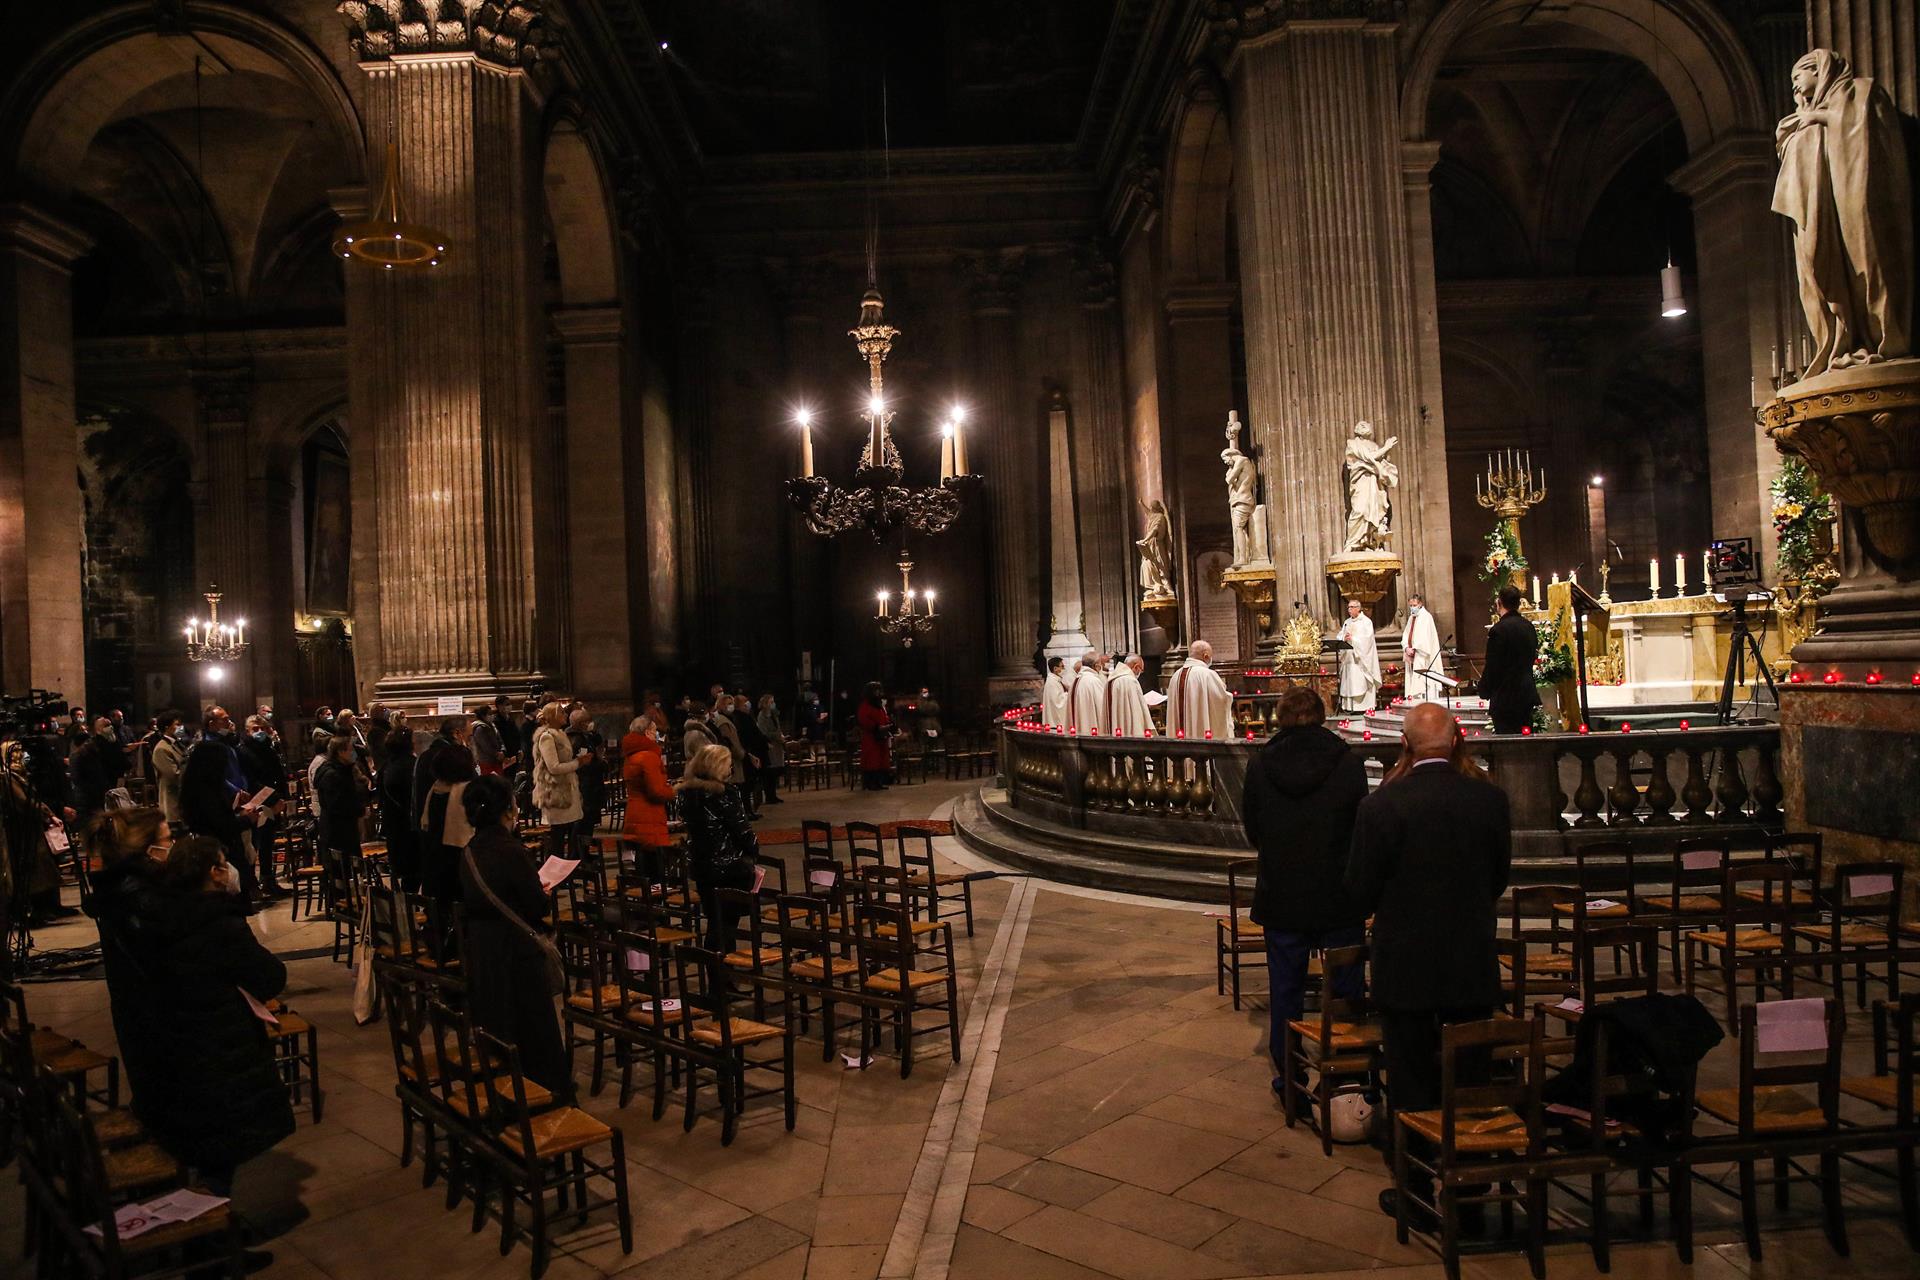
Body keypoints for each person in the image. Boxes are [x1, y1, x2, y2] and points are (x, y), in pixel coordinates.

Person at [1345, 702, 1512, 1226]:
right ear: (1459, 740)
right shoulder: (1489, 800)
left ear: (1406, 746)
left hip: (1406, 963)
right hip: (1470, 959)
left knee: (1412, 1080)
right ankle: (1471, 1194)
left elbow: (1359, 889)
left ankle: (1416, 1190)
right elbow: (1498, 877)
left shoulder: (1383, 805)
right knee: (1471, 1078)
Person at [143, 834, 295, 1204]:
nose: (230, 872)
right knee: (222, 1142)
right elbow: (268, 976)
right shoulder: (218, 922)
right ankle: (212, 1232)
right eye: (225, 865)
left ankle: (207, 1216)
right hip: (218, 1039)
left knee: (206, 1138)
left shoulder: (158, 914)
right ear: (213, 873)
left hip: (178, 1037)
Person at [1240, 688, 1367, 1101]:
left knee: (1286, 991)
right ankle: (1349, 1076)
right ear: (1322, 715)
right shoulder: (1347, 763)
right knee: (1347, 989)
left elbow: (1253, 828)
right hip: (1338, 894)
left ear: (1280, 717)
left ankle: (1290, 1079)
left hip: (1284, 894)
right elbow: (1359, 825)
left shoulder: (1261, 765)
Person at [458, 774, 569, 1094]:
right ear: (507, 810)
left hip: (483, 949)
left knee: (498, 1026)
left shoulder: (468, 851)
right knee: (533, 1031)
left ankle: (504, 1093)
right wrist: (541, 891)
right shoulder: (511, 850)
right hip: (516, 953)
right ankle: (542, 1095)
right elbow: (536, 907)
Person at [83, 807, 174, 1154]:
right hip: (153, 1009)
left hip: (135, 1006)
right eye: (167, 839)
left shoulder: (119, 889)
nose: (173, 845)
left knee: (152, 1090)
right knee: (163, 1096)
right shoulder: (140, 896)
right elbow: (163, 956)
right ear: (147, 850)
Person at [675, 743, 759, 952]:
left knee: (714, 921)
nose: (731, 770)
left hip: (701, 866)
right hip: (727, 867)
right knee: (726, 925)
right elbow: (741, 830)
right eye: (729, 765)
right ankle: (722, 974)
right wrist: (753, 850)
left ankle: (717, 972)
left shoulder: (687, 793)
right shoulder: (725, 794)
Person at [178, 727, 258, 908]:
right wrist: (246, 819)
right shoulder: (205, 791)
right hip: (218, 849)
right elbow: (220, 823)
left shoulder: (204, 785)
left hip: (220, 845)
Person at [236, 715, 291, 899]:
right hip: (257, 801)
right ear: (247, 731)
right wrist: (272, 796)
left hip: (272, 801)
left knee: (268, 841)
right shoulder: (243, 751)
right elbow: (250, 780)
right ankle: (252, 883)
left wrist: (281, 796)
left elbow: (277, 772)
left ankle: (268, 879)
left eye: (261, 728)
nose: (259, 732)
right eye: (254, 729)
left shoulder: (268, 747)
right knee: (253, 843)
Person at [531, 703, 589, 861]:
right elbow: (553, 767)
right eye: (561, 712)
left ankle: (568, 871)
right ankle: (554, 876)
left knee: (571, 833)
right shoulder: (547, 737)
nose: (565, 714)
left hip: (568, 788)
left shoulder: (560, 734)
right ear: (552, 716)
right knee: (557, 838)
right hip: (556, 791)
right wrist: (578, 763)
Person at [1481, 584, 1540, 733]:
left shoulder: (1499, 630)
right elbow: (1532, 656)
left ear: (1499, 603)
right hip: (1526, 694)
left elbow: (1494, 665)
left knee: (1506, 746)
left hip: (1505, 697)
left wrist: (1484, 689)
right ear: (1518, 603)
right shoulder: (1529, 627)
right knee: (1526, 743)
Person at [620, 715, 674, 857]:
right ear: (647, 732)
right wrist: (673, 791)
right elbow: (656, 791)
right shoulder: (648, 757)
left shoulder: (631, 756)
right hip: (649, 817)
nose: (657, 735)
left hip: (634, 813)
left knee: (642, 864)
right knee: (655, 865)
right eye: (654, 731)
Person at [314, 735, 367, 875]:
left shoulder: (343, 770)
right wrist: (359, 810)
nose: (353, 752)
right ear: (340, 752)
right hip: (337, 832)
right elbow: (337, 804)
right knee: (340, 875)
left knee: (351, 874)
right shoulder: (332, 774)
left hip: (346, 829)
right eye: (350, 749)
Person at [380, 713, 421, 892]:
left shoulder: (387, 766)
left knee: (408, 877)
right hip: (409, 828)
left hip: (395, 827)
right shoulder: (412, 766)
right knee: (414, 875)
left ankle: (406, 911)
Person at [1165, 640, 1232, 739]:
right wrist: (1229, 697)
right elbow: (1221, 700)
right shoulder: (1207, 675)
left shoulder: (1175, 676)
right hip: (1202, 739)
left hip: (1178, 742)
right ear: (1206, 656)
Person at [69, 716, 129, 822]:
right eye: (106, 725)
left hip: (108, 789)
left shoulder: (113, 743)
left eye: (110, 724)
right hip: (91, 796)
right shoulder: (86, 752)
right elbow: (79, 778)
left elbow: (122, 763)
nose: (110, 728)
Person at [1336, 599, 1381, 714]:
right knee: (1350, 682)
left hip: (1360, 659)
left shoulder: (1366, 622)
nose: (1349, 610)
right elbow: (1341, 635)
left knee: (1360, 681)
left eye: (1352, 607)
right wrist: (1343, 638)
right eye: (1348, 607)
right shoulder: (1347, 622)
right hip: (1349, 658)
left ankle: (1363, 707)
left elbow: (1367, 640)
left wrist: (1353, 640)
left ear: (1358, 608)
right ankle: (1350, 707)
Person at [725, 695, 767, 816]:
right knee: (746, 785)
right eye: (744, 702)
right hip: (746, 753)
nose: (747, 704)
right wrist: (747, 752)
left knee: (750, 784)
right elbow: (745, 736)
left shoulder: (743, 716)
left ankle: (750, 810)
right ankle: (747, 811)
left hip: (749, 752)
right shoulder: (739, 718)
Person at [568, 704, 608, 831]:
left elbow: (596, 742)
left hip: (590, 784)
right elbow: (584, 764)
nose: (589, 724)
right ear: (581, 724)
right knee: (584, 821)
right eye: (586, 721)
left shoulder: (585, 736)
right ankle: (581, 849)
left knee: (588, 821)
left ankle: (585, 847)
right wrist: (601, 764)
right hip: (585, 784)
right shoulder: (577, 740)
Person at [1402, 594, 1444, 704]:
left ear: (1420, 604)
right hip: (1412, 655)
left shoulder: (1426, 617)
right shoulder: (1412, 617)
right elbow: (1406, 634)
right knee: (1414, 682)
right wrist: (1406, 647)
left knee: (1422, 683)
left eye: (1414, 605)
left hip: (1422, 656)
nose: (1412, 608)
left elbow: (1425, 638)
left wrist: (1415, 648)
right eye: (1410, 605)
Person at [149, 710, 187, 823]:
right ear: (166, 727)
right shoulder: (162, 748)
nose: (181, 728)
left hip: (181, 800)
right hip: (172, 802)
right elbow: (174, 776)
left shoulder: (177, 744)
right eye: (177, 725)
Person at [856, 682, 894, 790]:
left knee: (881, 760)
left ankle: (878, 782)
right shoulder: (866, 705)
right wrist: (876, 726)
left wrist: (888, 724)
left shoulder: (878, 705)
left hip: (881, 736)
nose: (878, 692)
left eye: (879, 690)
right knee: (872, 760)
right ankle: (870, 783)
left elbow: (884, 716)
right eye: (876, 690)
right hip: (871, 737)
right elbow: (863, 719)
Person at [1107, 654, 1155, 737]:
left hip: (1111, 730)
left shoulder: (1110, 680)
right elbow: (1136, 710)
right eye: (1141, 670)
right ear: (1136, 667)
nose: (1140, 673)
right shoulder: (1130, 681)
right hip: (1128, 731)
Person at [754, 694, 787, 806]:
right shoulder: (762, 716)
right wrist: (776, 735)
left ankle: (773, 795)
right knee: (769, 772)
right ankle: (769, 796)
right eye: (771, 702)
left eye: (773, 701)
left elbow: (778, 727)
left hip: (777, 745)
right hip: (769, 745)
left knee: (776, 771)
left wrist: (781, 736)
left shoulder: (774, 714)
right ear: (765, 704)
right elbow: (763, 732)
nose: (773, 704)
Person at [1068, 650, 1111, 735]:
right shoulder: (1093, 681)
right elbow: (1102, 707)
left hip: (1078, 729)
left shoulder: (1076, 680)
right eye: (1100, 664)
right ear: (1096, 666)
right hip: (1091, 730)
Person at [471, 704, 508, 776]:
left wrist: (503, 751)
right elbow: (485, 746)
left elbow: (500, 740)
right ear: (483, 716)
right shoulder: (480, 728)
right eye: (489, 714)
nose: (492, 715)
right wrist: (497, 754)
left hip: (497, 760)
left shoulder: (492, 726)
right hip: (487, 761)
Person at [1040, 656, 1070, 728]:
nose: (1064, 669)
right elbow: (1057, 702)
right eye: (1062, 666)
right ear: (1055, 669)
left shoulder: (1056, 680)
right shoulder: (1052, 682)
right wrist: (1069, 693)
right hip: (1055, 723)